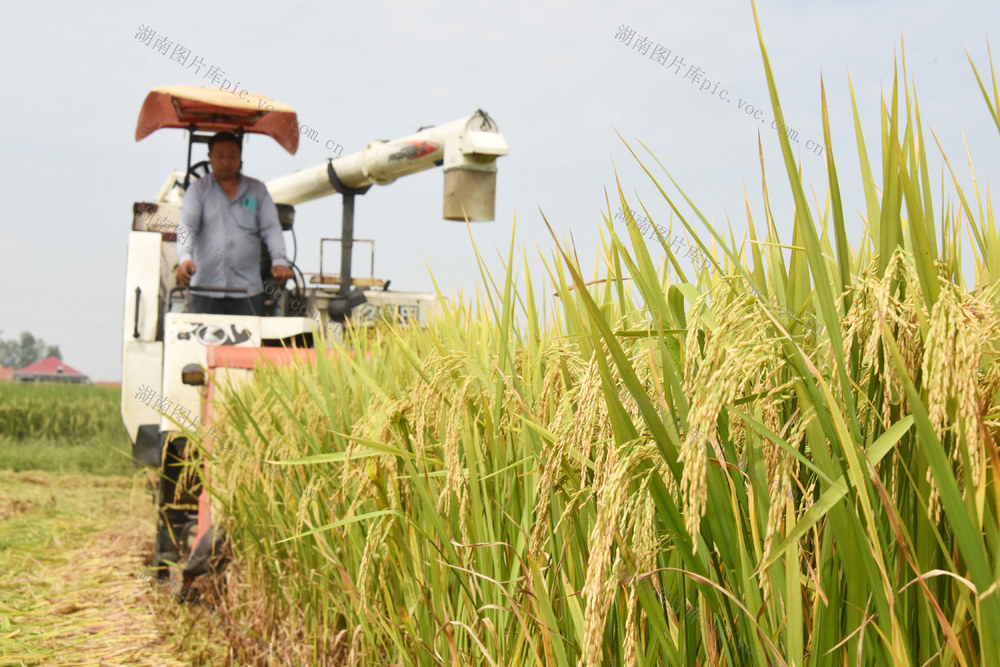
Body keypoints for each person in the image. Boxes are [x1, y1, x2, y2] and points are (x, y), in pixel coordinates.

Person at [175, 131, 294, 315]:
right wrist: (185, 258)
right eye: (220, 156)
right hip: (205, 289)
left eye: (232, 156)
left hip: (247, 292)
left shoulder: (257, 190)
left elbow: (271, 228)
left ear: (240, 157)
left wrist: (279, 261)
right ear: (210, 157)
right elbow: (187, 226)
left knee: (248, 342)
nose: (226, 162)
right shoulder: (198, 190)